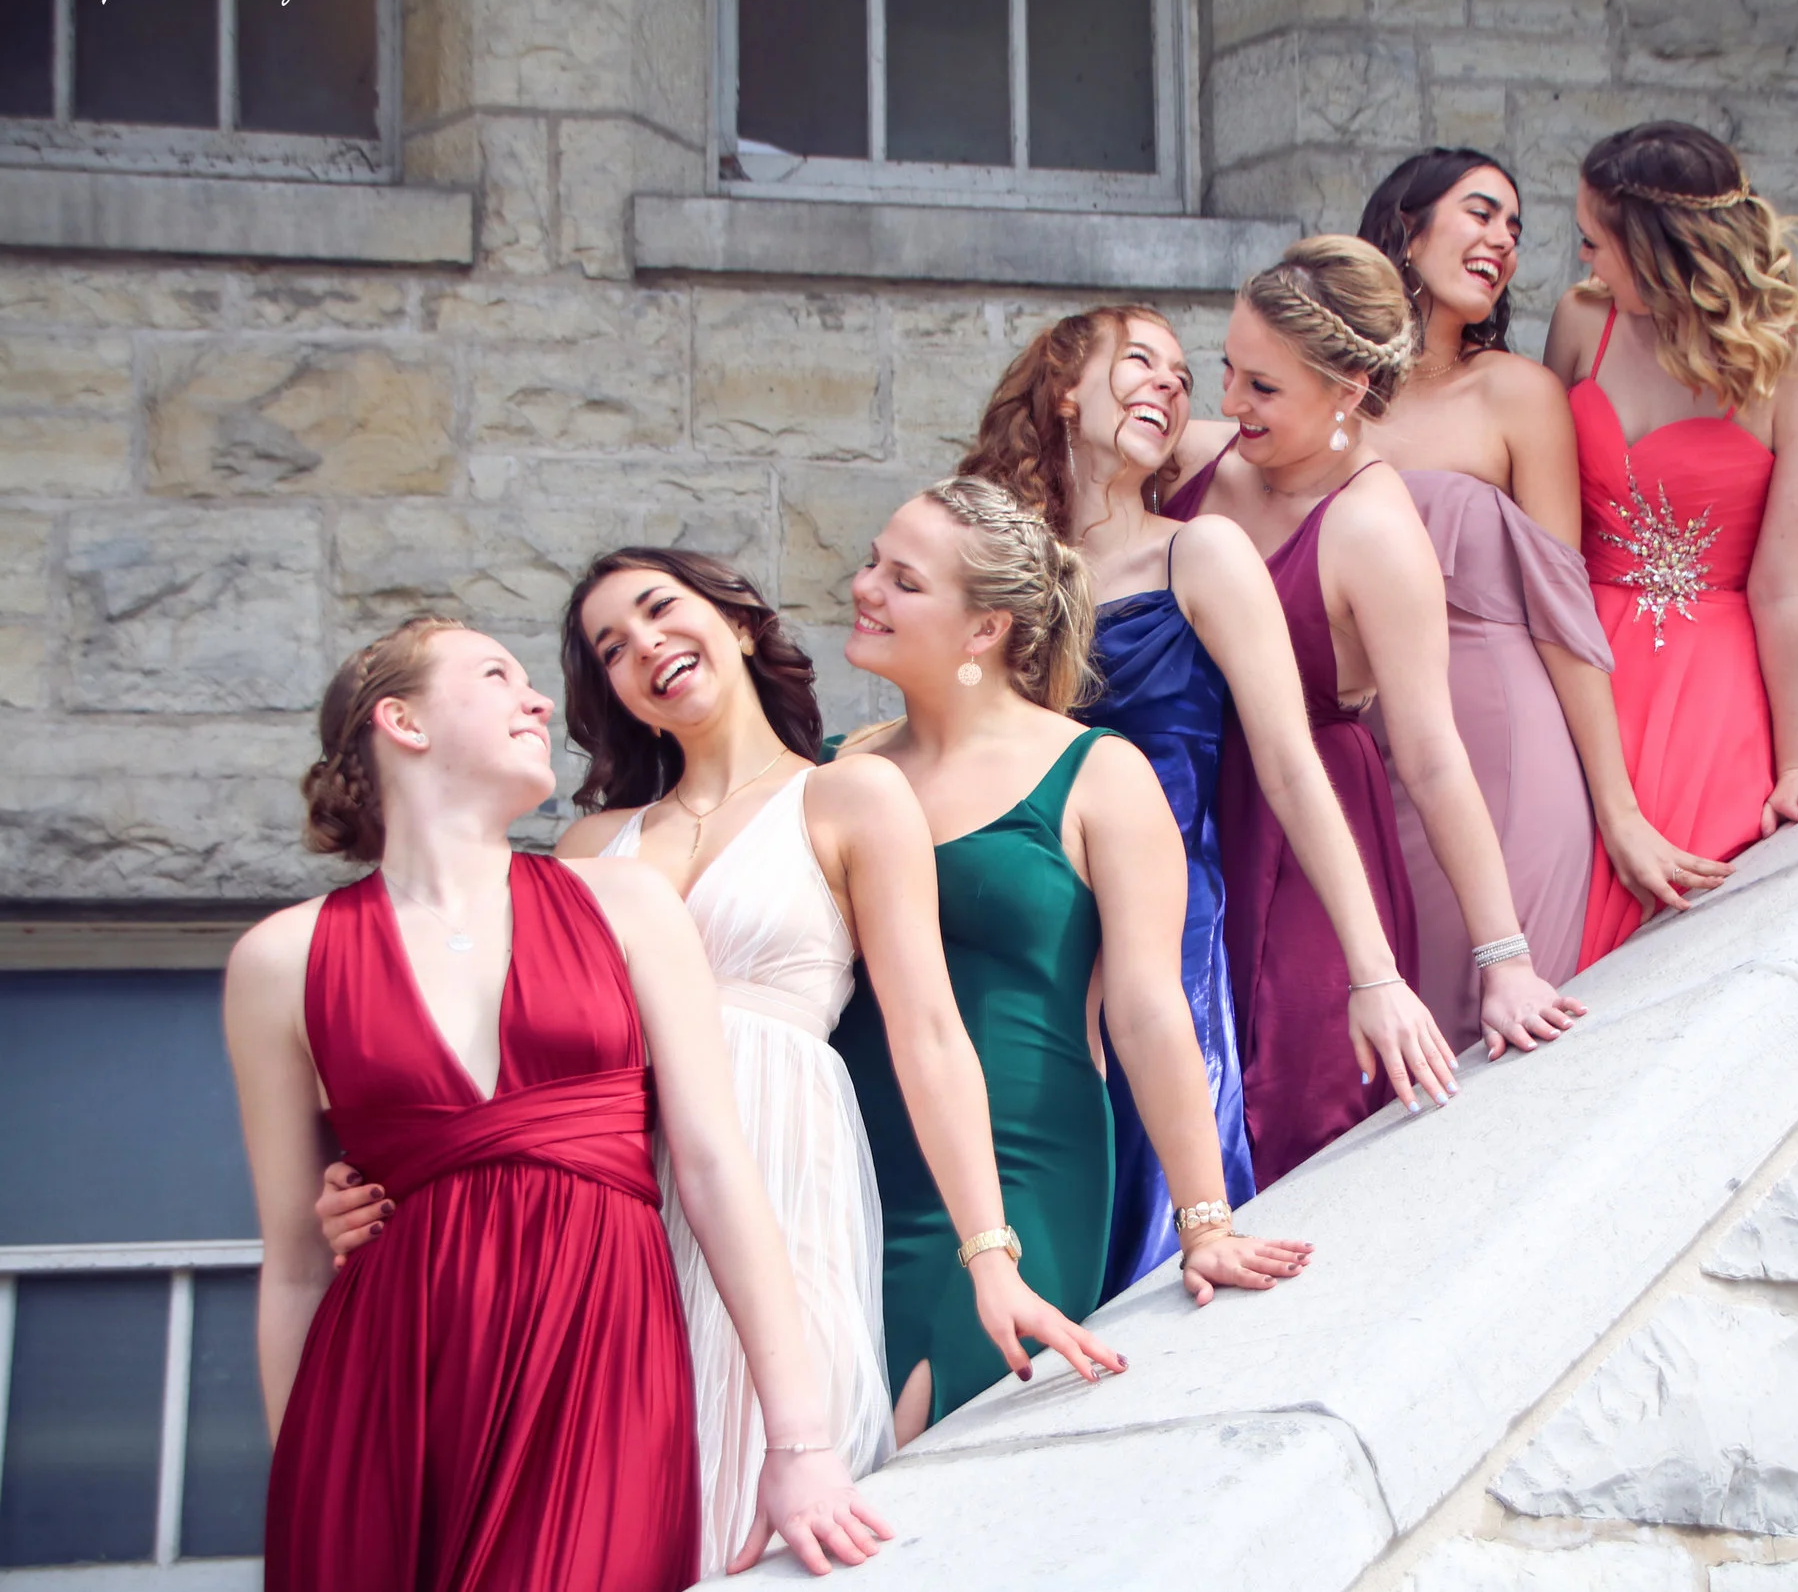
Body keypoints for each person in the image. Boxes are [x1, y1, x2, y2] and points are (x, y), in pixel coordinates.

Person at [314, 555, 1119, 1573]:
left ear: (737, 623)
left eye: (659, 611)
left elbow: (926, 1032)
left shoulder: (848, 795)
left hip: (783, 1168)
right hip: (608, 1212)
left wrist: (988, 1254)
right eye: (611, 646)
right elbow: (483, 1057)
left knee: (782, 1486)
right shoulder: (584, 848)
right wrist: (360, 1187)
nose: (643, 645)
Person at [227, 618, 888, 1592]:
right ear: (399, 719)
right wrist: (306, 1490)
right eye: (498, 674)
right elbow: (291, 1267)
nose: (538, 700)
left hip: (601, 1369)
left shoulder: (624, 903)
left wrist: (798, 1440)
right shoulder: (279, 959)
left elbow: (714, 1165)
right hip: (383, 1394)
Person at [965, 304, 1449, 1298]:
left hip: (1164, 930)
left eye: (1184, 376)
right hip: (1020, 929)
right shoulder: (994, 572)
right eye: (1139, 362)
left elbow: (1287, 765)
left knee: (1153, 1219)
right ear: (1063, 388)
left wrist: (1375, 971)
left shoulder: (1203, 554)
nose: (1170, 385)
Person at [831, 477, 1310, 1439]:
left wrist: (1204, 1221)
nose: (864, 587)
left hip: (1024, 1164)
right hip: (853, 1168)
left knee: (942, 1436)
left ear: (984, 631)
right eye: (873, 561)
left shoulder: (1100, 772)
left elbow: (1147, 1009)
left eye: (902, 579)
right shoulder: (845, 768)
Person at [1165, 235, 1587, 1186]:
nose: (1229, 403)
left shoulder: (1373, 529)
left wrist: (1504, 958)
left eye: (1262, 388)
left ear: (1349, 388)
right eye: (1228, 369)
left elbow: (1434, 758)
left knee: (1291, 1109)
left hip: (1304, 850)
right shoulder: (1192, 462)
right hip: (1177, 814)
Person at [1355, 149, 1734, 1034]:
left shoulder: (1519, 395)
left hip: (1502, 758)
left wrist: (1620, 811)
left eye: (1517, 228)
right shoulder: (1329, 401)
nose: (1505, 240)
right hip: (1361, 765)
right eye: (1482, 212)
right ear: (1404, 230)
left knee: (1485, 1032)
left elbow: (1565, 615)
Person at [1545, 121, 1798, 964]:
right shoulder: (1583, 324)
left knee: (1673, 935)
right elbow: (1547, 522)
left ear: (1658, 247)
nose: (1587, 265)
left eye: (1597, 244)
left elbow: (1784, 586)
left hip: (1708, 685)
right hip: (1575, 659)